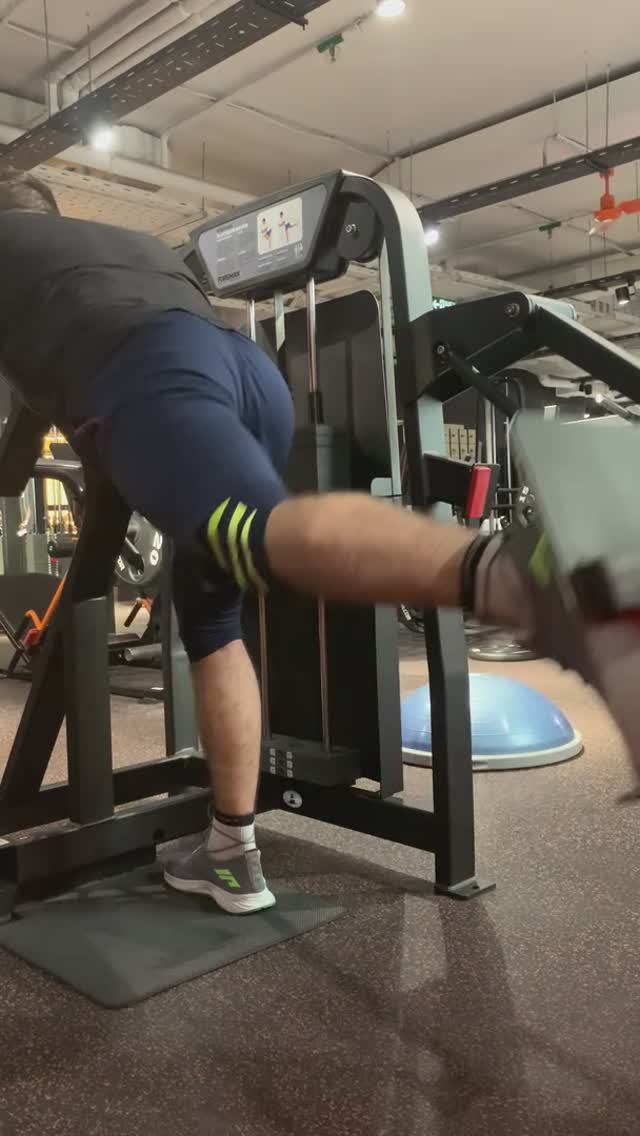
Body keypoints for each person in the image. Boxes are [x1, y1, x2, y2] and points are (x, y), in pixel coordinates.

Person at [0, 169, 637, 916]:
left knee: (255, 533)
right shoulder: (117, 247)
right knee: (211, 624)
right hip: (245, 373)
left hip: (149, 374)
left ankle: (524, 579)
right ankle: (230, 854)